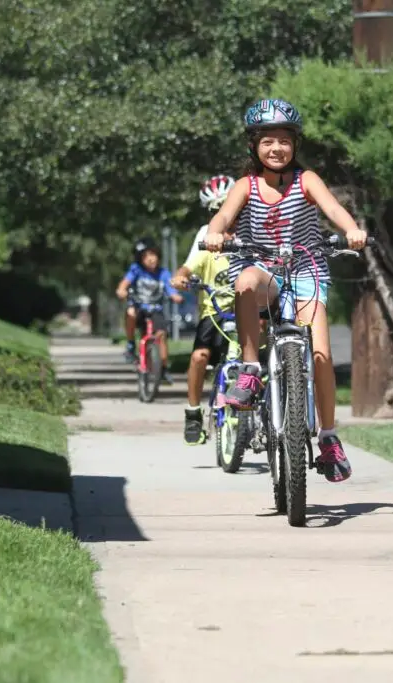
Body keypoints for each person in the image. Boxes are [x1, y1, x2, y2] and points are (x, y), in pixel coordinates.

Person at [202, 98, 368, 483]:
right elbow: (224, 216)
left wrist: (351, 230)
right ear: (254, 147)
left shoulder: (306, 180)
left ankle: (328, 437)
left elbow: (333, 208)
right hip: (263, 271)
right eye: (267, 141)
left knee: (321, 355)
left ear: (295, 144)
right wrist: (214, 233)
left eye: (284, 140)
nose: (276, 148)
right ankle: (250, 370)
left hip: (306, 271)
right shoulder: (246, 186)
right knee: (244, 282)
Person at [169, 175, 237, 445]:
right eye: (215, 209)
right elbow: (189, 266)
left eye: (227, 205)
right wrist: (181, 277)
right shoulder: (207, 236)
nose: (223, 213)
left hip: (248, 310)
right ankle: (193, 412)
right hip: (214, 312)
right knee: (199, 356)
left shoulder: (252, 231)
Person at [116, 239, 183, 383]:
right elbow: (124, 284)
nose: (150, 259)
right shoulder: (136, 270)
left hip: (155, 310)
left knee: (161, 334)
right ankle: (130, 344)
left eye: (153, 255)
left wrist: (175, 296)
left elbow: (170, 289)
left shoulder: (163, 273)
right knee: (130, 313)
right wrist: (122, 290)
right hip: (139, 308)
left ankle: (163, 368)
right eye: (146, 256)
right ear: (140, 259)